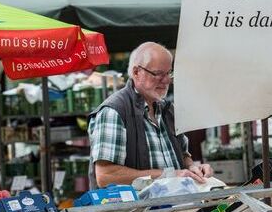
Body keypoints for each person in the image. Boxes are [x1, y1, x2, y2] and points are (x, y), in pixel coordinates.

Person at [88, 42, 213, 189]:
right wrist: (169, 175)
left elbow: (183, 155)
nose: (166, 81)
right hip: (135, 211)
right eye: (158, 74)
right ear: (136, 72)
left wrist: (193, 167)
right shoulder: (114, 111)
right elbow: (106, 176)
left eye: (168, 73)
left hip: (175, 207)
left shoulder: (168, 110)